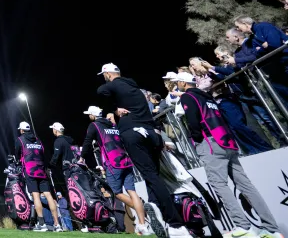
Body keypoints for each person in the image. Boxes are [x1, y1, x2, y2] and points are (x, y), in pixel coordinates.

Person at [176, 72, 284, 238]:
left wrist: (197, 139)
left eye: (177, 82)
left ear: (183, 83)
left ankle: (243, 227)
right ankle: (271, 229)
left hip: (210, 143)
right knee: (246, 185)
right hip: (227, 142)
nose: (177, 84)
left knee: (219, 184)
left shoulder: (188, 97)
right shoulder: (207, 96)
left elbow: (193, 121)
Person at [96, 63, 189, 238]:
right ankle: (157, 212)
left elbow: (100, 91)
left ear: (108, 74)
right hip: (151, 134)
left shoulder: (114, 84)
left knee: (151, 177)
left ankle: (176, 225)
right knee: (154, 177)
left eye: (104, 75)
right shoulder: (136, 89)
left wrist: (114, 109)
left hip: (133, 134)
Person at [80, 105, 151, 235]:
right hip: (126, 161)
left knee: (117, 193)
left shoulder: (94, 125)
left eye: (89, 114)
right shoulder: (112, 124)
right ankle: (142, 225)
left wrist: (82, 158)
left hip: (113, 163)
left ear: (93, 115)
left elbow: (87, 142)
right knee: (132, 192)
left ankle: (142, 210)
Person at [15, 121, 62, 232]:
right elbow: (43, 153)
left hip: (30, 170)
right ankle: (57, 224)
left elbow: (17, 154)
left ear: (21, 130)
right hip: (41, 170)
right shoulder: (38, 140)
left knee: (36, 196)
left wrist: (17, 162)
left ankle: (42, 224)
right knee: (49, 195)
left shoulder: (20, 139)